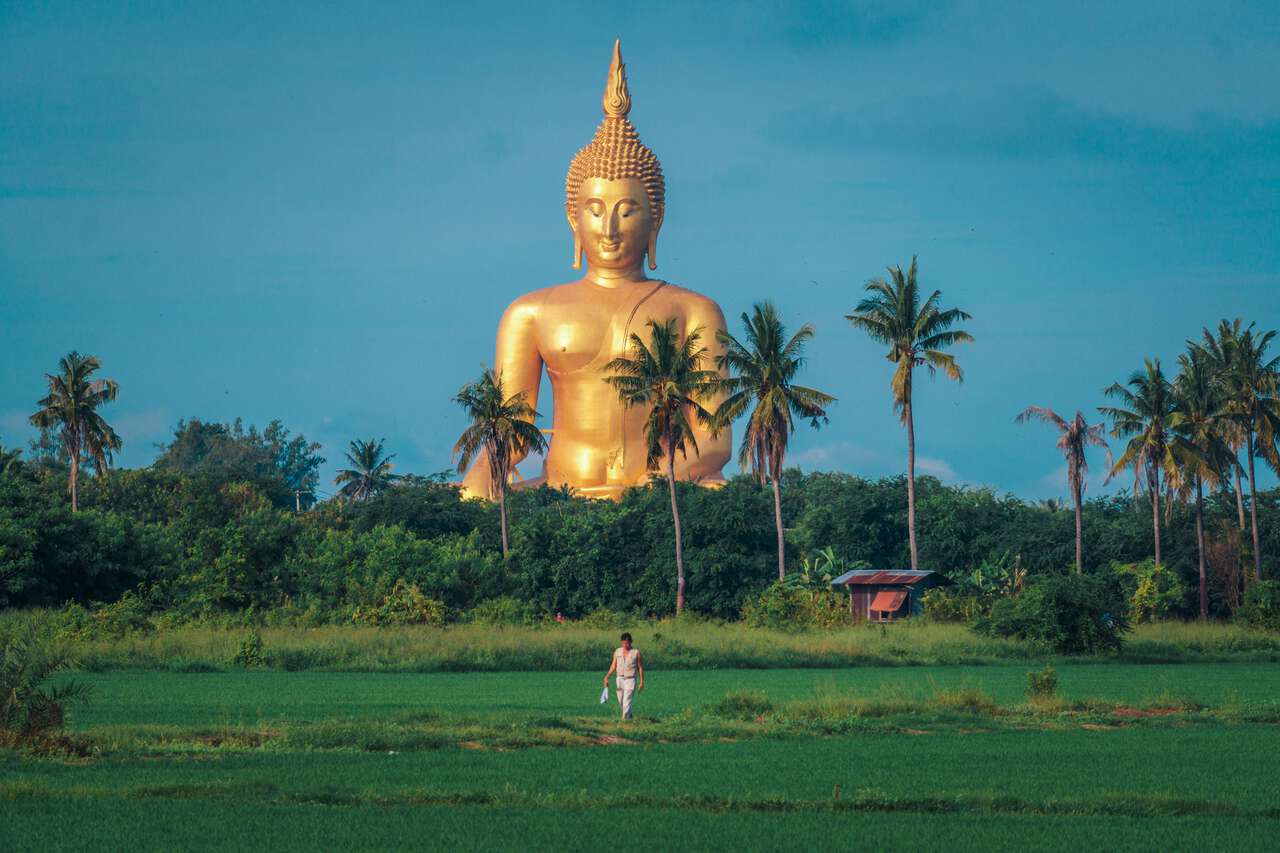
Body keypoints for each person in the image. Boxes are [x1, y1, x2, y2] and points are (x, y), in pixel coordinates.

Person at [603, 631, 644, 720]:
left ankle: (624, 721)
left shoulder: (636, 652)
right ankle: (629, 717)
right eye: (623, 643)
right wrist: (607, 677)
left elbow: (640, 667)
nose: (625, 645)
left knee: (626, 701)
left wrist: (641, 681)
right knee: (621, 700)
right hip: (620, 679)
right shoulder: (617, 651)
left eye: (627, 643)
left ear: (630, 642)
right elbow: (613, 666)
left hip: (630, 679)